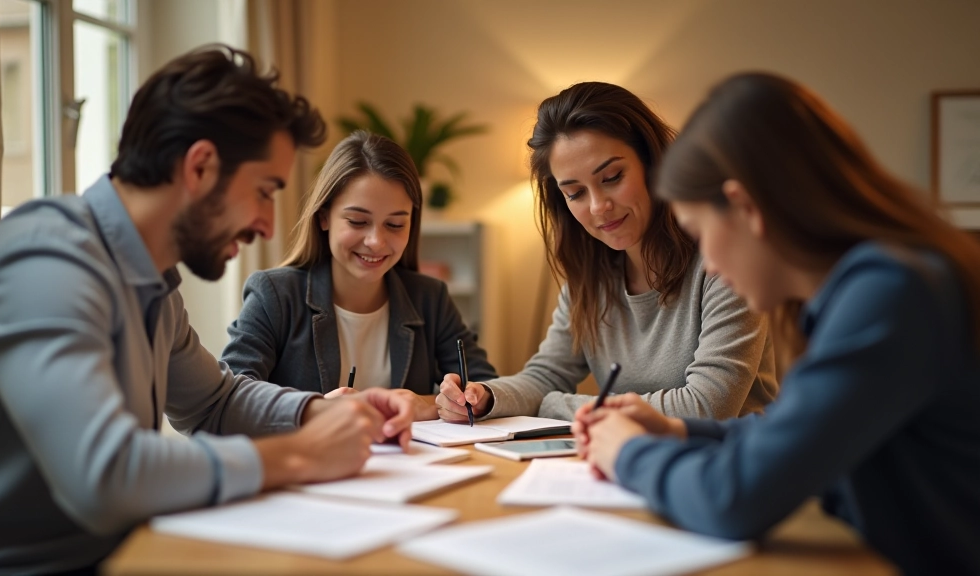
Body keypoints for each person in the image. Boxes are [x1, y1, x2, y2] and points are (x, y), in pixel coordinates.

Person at [0, 46, 423, 575]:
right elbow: (105, 476)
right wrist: (303, 453)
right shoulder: (41, 264)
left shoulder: (151, 278)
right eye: (264, 192)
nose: (269, 225)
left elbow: (214, 403)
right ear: (200, 166)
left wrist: (324, 411)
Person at [576, 72, 980, 574]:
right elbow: (797, 434)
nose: (710, 264)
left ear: (745, 208)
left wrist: (628, 453)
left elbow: (733, 498)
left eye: (700, 234)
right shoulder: (873, 285)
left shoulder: (891, 293)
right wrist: (676, 430)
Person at [437, 81, 777, 423]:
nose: (599, 207)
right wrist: (485, 397)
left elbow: (706, 408)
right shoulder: (590, 277)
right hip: (629, 459)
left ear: (653, 164)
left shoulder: (724, 261)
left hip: (728, 464)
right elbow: (545, 376)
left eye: (612, 177)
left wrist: (557, 405)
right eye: (575, 193)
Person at [221, 130, 496, 406]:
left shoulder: (430, 298)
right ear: (324, 216)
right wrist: (311, 411)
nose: (376, 242)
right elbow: (230, 398)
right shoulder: (274, 296)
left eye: (395, 225)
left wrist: (425, 404)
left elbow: (488, 388)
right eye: (357, 221)